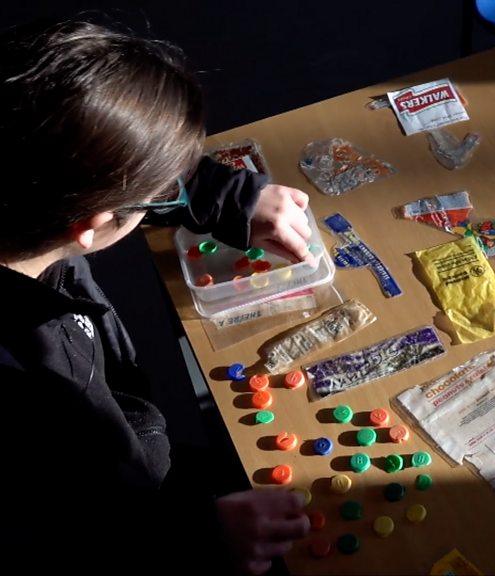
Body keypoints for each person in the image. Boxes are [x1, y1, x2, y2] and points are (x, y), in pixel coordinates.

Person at [0, 19, 314, 574]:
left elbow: (80, 128)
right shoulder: (32, 387)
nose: (165, 198)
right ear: (92, 225)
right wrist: (197, 535)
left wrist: (222, 195)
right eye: (157, 194)